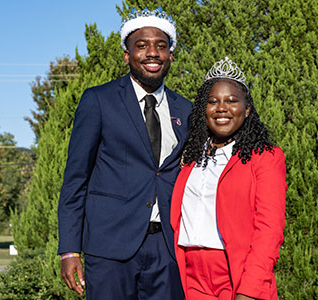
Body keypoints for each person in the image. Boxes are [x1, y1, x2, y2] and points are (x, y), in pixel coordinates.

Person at [57, 6, 192, 300]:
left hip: (168, 249)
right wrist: (69, 248)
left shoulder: (186, 110)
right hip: (109, 248)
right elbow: (75, 179)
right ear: (127, 55)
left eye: (161, 46)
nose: (152, 53)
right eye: (141, 46)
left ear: (171, 54)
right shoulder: (98, 100)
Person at [170, 57, 287, 300]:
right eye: (212, 102)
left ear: (246, 110)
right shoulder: (190, 157)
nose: (222, 108)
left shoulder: (264, 157)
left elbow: (269, 230)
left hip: (236, 274)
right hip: (190, 275)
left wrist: (250, 289)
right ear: (204, 110)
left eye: (232, 101)